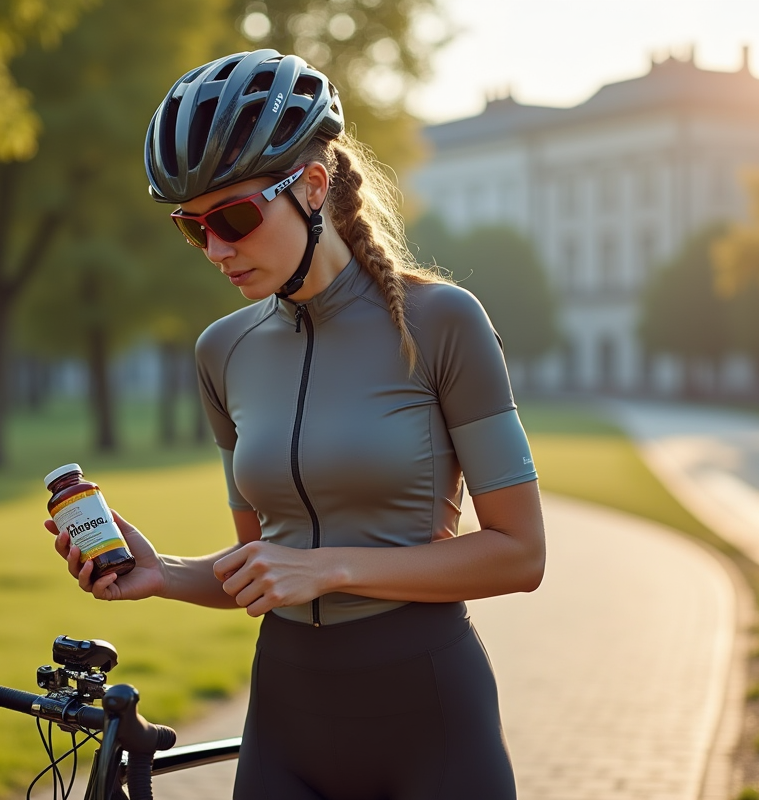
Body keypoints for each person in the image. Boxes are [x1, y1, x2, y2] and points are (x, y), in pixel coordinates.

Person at [47, 49, 545, 800]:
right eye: (192, 227)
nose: (215, 248)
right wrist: (167, 575)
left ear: (313, 186)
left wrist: (335, 565)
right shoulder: (223, 352)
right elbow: (265, 564)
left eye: (234, 217)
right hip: (285, 718)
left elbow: (520, 554)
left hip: (430, 716)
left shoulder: (443, 322)